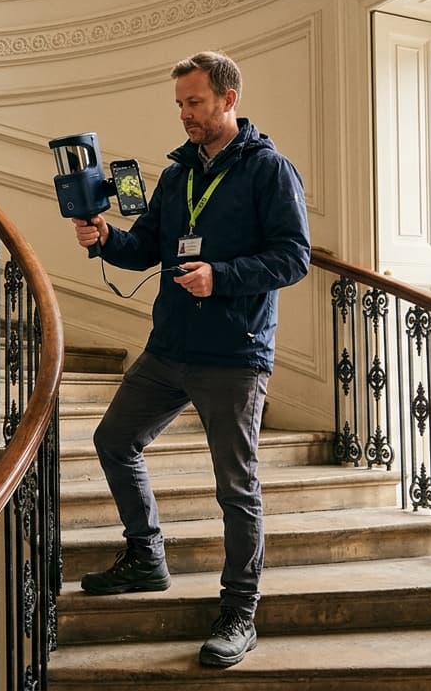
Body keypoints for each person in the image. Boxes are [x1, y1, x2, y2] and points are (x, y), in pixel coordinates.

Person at [69, 50, 311, 667]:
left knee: (237, 487)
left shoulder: (269, 170)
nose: (185, 115)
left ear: (229, 99)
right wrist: (106, 240)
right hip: (170, 348)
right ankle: (147, 555)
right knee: (114, 439)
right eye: (179, 104)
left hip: (234, 354)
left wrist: (221, 275)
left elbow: (293, 257)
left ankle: (239, 609)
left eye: (195, 103)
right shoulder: (178, 176)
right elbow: (145, 246)